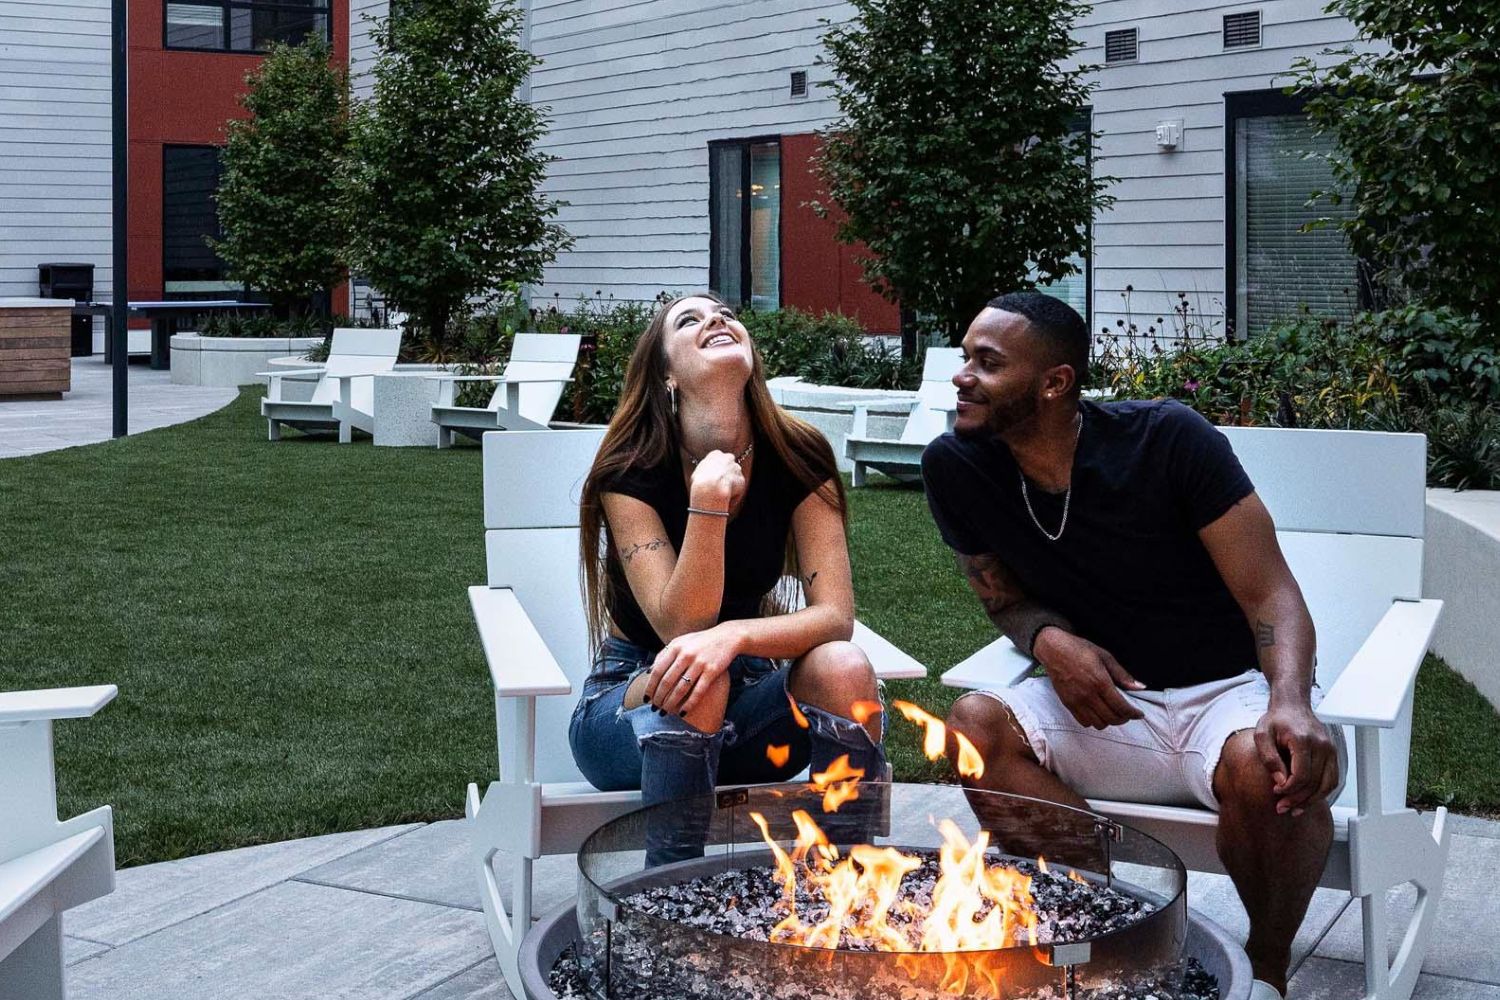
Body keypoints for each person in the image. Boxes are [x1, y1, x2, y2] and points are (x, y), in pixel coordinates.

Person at [922, 292, 1343, 997]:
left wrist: (1291, 701)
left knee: (1267, 766)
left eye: (987, 363)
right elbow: (1001, 597)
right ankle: (1108, 927)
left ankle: (1265, 966)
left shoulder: (1167, 440)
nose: (962, 376)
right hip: (1108, 710)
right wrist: (1050, 640)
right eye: (965, 357)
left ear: (1055, 383)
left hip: (1225, 694)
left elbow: (1272, 592)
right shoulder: (956, 466)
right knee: (974, 726)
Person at [570, 292, 885, 864]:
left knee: (843, 664)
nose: (716, 320)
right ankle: (669, 899)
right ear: (666, 373)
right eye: (688, 320)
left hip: (754, 715)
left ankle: (852, 885)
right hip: (632, 710)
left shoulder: (798, 454)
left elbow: (835, 617)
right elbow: (683, 628)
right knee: (698, 674)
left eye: (726, 315)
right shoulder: (630, 470)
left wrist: (735, 638)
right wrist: (708, 501)